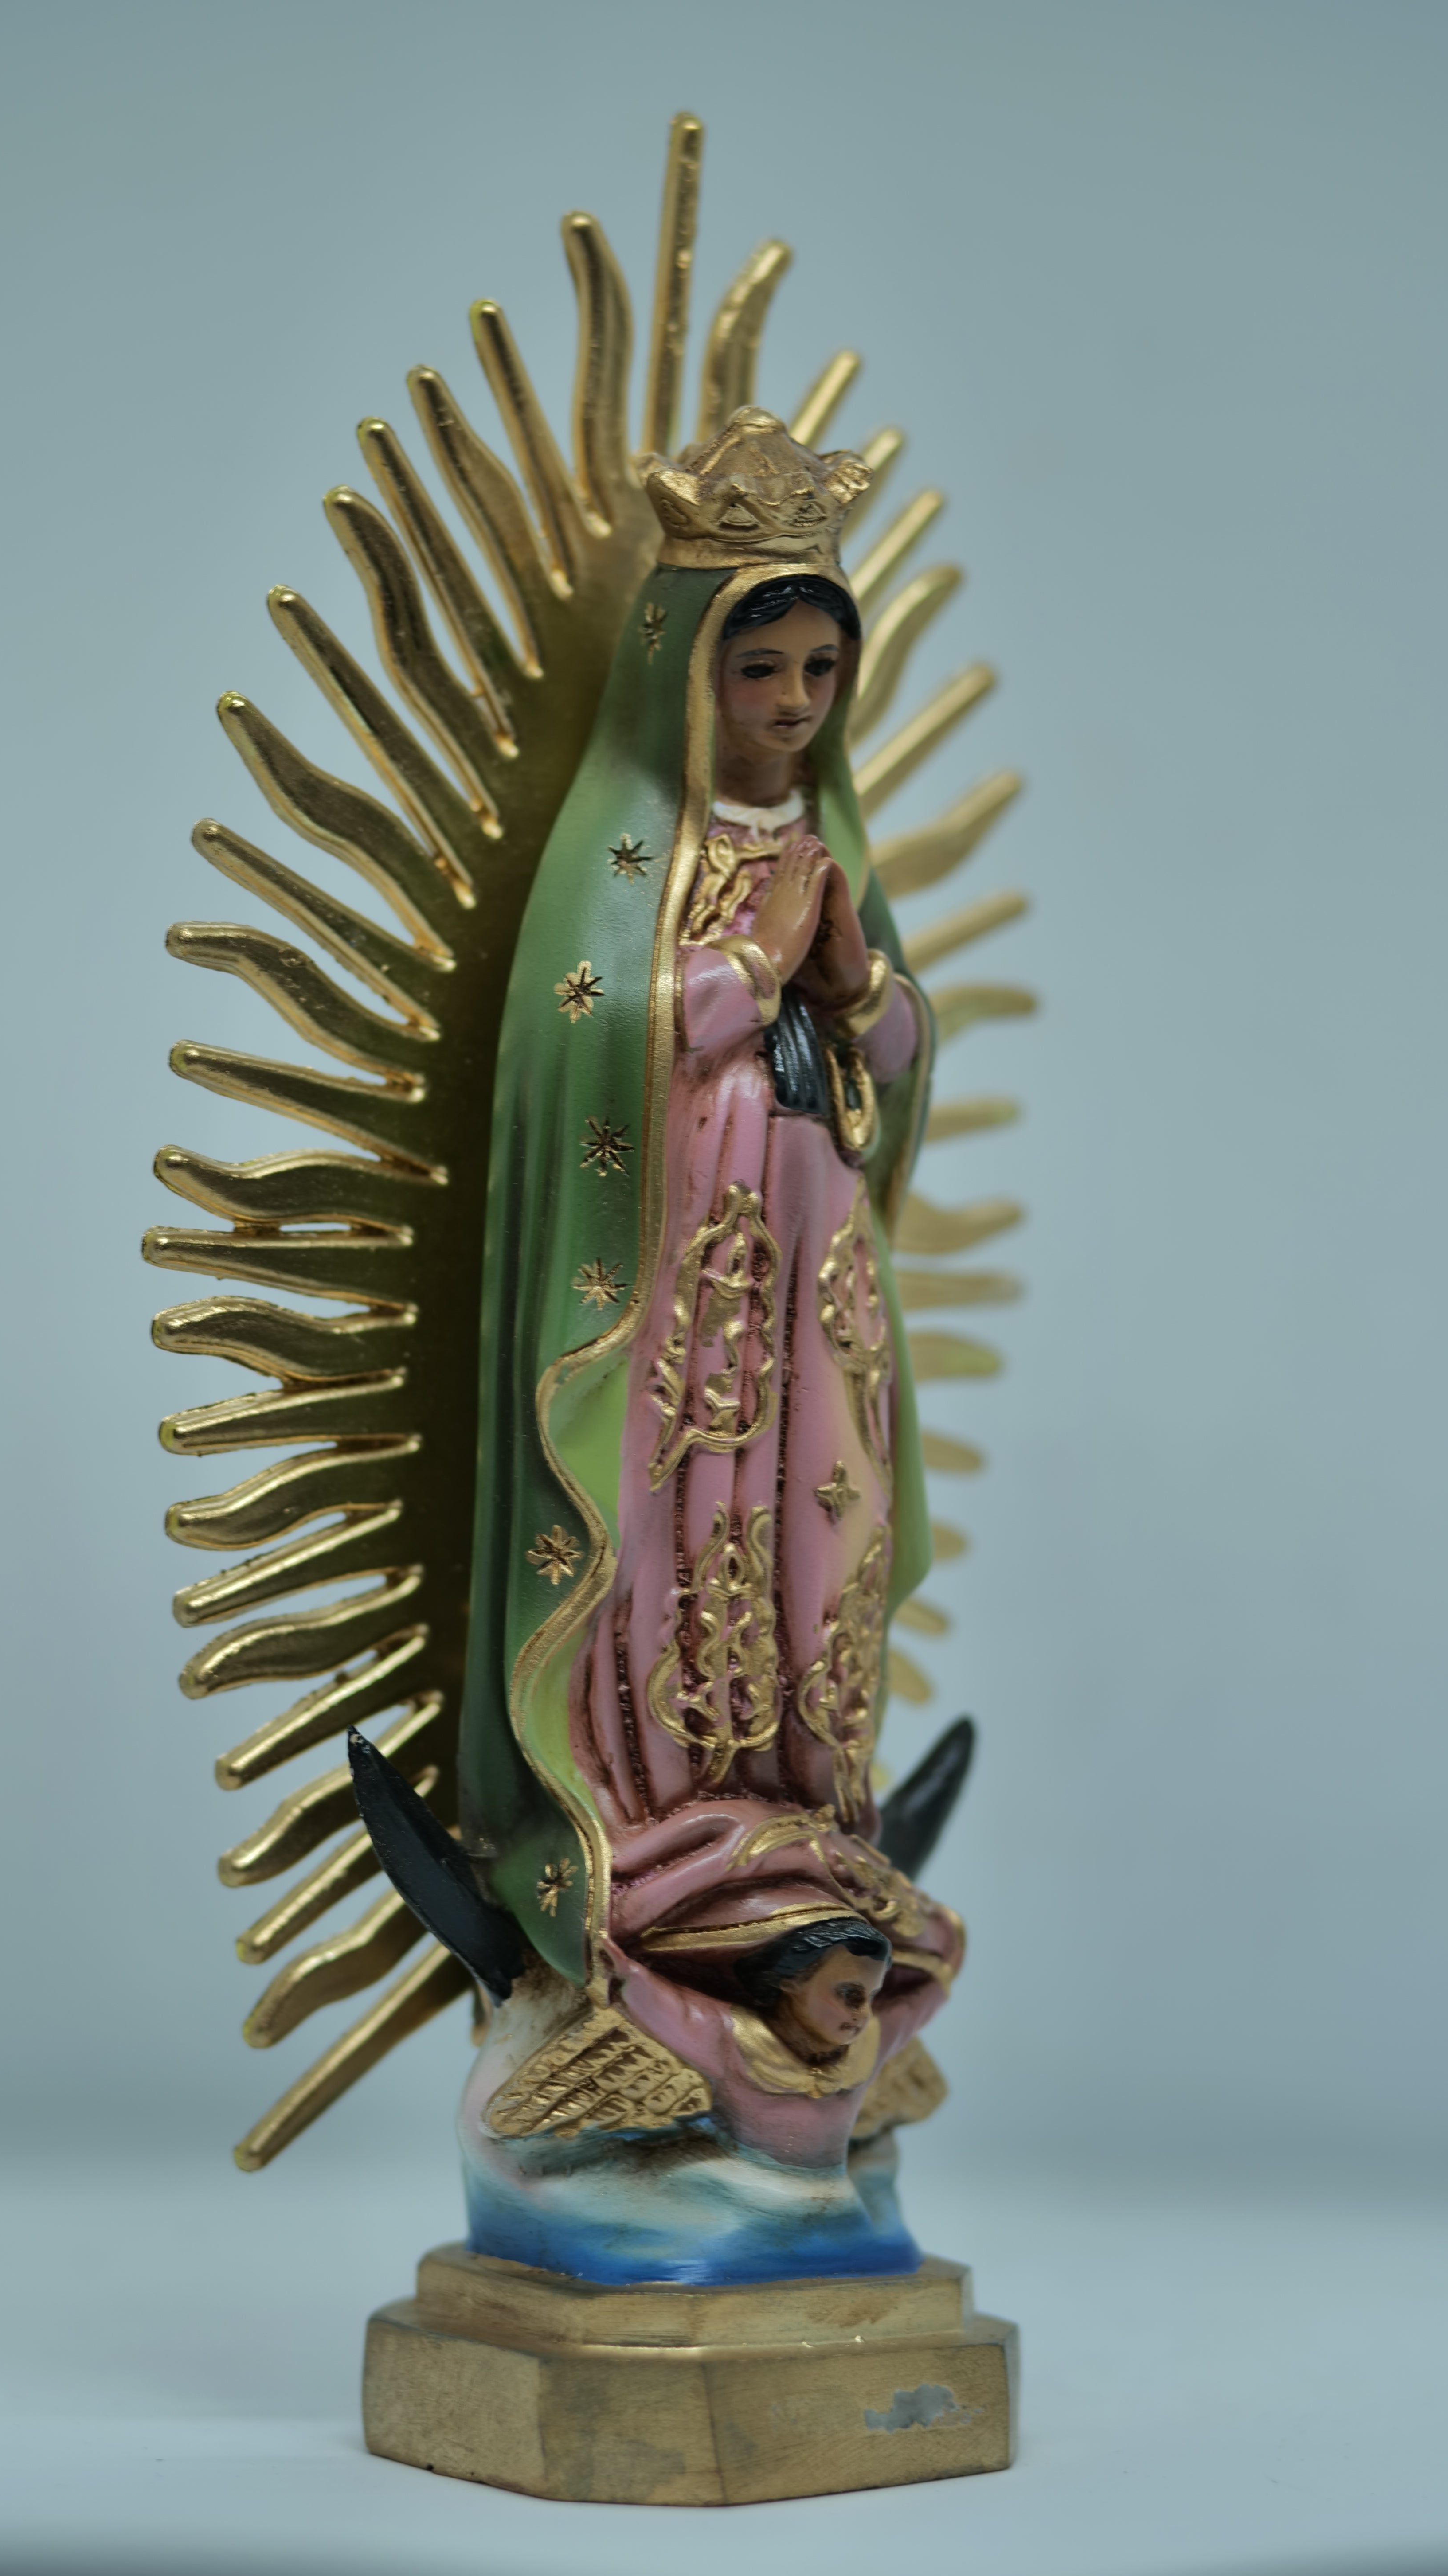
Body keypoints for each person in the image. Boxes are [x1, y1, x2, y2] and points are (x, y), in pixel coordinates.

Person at [458, 411, 963, 2248]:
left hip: (809, 1270)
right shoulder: (628, 846)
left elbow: (895, 1050)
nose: (796, 703)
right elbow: (589, 1040)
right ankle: (654, 1829)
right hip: (675, 1272)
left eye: (822, 670)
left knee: (813, 1526)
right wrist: (746, 975)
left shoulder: (822, 836)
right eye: (763, 670)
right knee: (679, 1534)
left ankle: (792, 1819)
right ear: (692, 672)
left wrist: (857, 979)